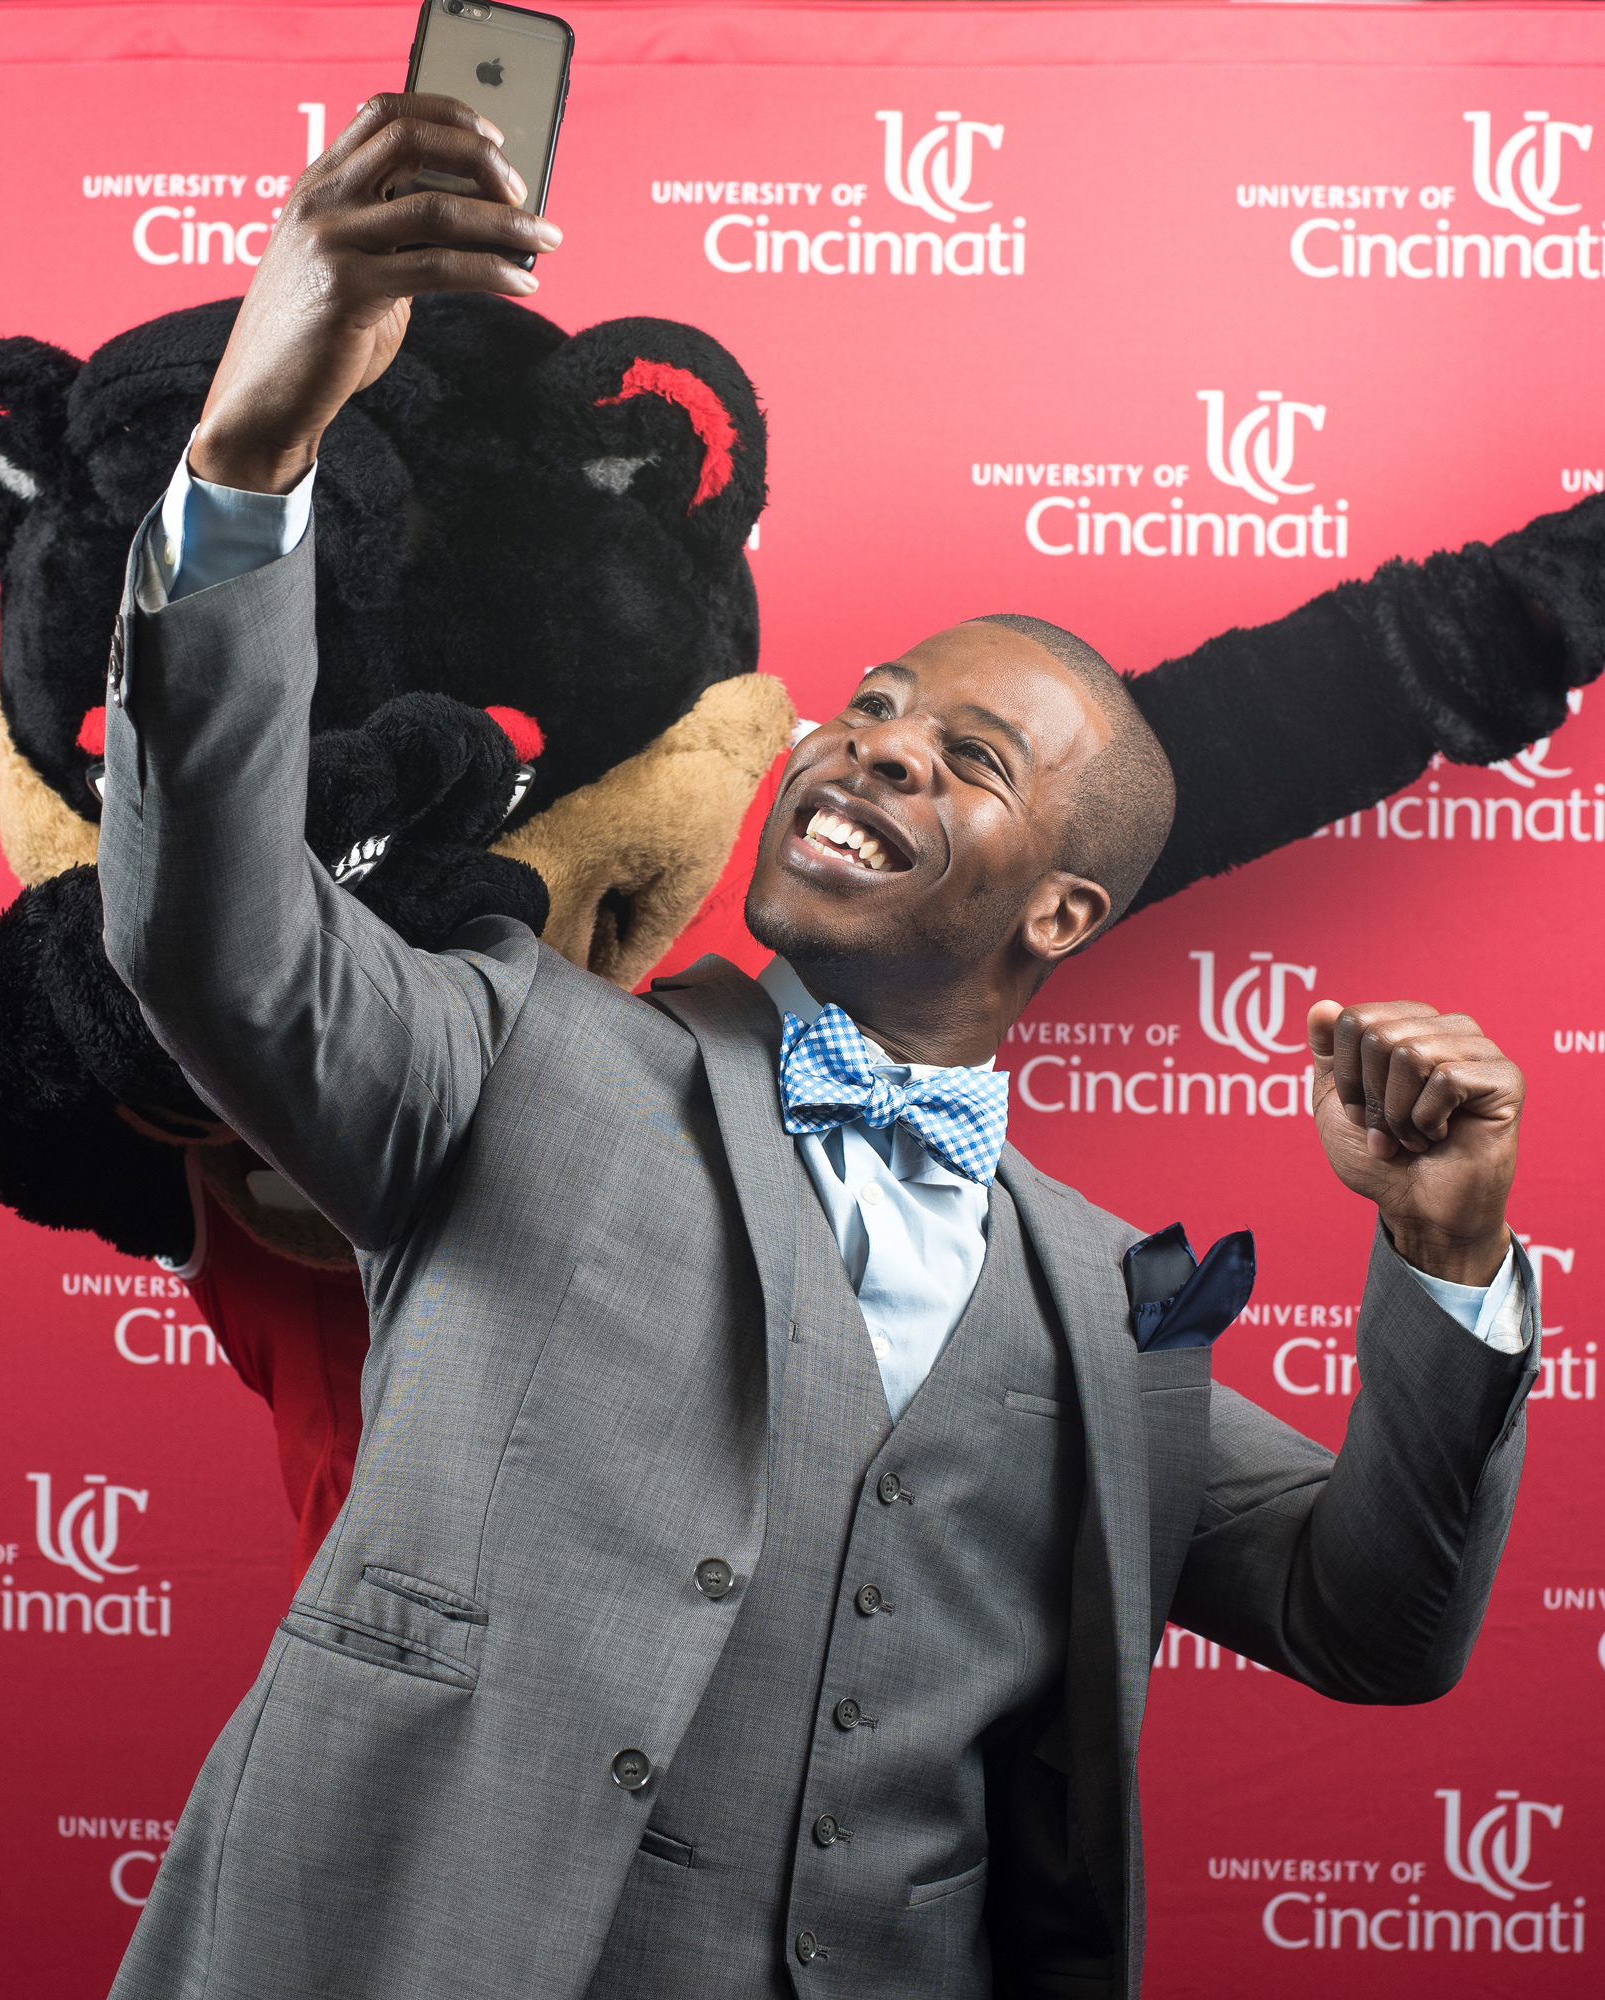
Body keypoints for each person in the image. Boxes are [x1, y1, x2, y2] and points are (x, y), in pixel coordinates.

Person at [96, 96, 1539, 2000]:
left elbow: (1372, 1617)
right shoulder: (512, 1052)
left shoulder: (1130, 1306)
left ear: (1062, 918)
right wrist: (256, 446)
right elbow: (217, 939)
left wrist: (1445, 1261)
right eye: (869, 709)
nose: (870, 749)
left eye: (968, 759)